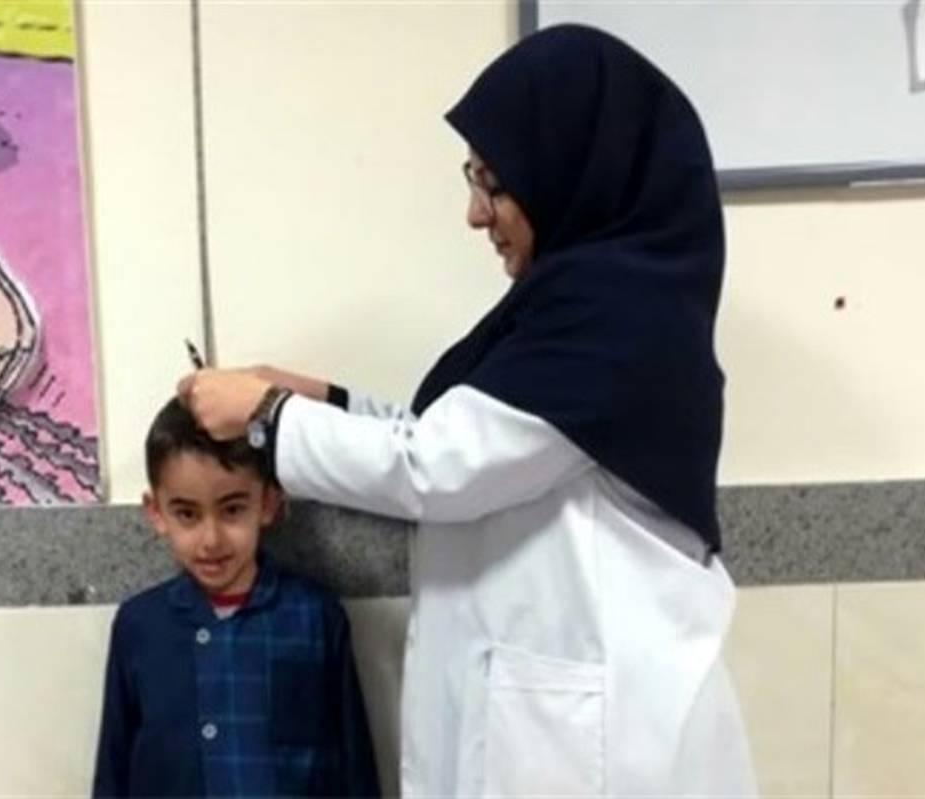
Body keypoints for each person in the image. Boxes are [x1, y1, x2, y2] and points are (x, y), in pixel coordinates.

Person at [179, 25, 757, 797]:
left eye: (494, 183)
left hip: (599, 738)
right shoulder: (575, 309)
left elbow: (440, 467)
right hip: (551, 715)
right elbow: (458, 432)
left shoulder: (617, 322)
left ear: (568, 171)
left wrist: (267, 416)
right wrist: (319, 398)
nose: (475, 214)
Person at [91, 398, 380, 798]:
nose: (211, 540)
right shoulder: (139, 626)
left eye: (231, 510)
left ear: (268, 503)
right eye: (187, 514)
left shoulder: (315, 617)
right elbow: (113, 772)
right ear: (156, 512)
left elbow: (355, 772)